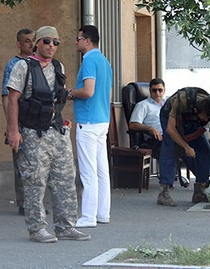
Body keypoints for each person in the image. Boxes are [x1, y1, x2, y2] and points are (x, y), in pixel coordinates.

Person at [6, 26, 90, 243]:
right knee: (35, 181)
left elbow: (58, 97)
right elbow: (13, 99)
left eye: (55, 42)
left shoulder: (58, 66)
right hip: (33, 133)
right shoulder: (22, 66)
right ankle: (37, 229)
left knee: (65, 179)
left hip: (57, 132)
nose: (51, 46)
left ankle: (66, 226)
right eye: (46, 41)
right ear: (37, 43)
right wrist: (13, 130)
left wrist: (61, 120)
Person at [71, 25, 113, 228]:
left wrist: (70, 92)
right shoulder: (105, 61)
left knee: (88, 171)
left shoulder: (88, 60)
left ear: (87, 40)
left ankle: (88, 216)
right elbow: (107, 93)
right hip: (102, 119)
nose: (76, 42)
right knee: (101, 170)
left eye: (78, 38)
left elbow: (88, 91)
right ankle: (102, 213)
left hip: (87, 120)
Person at [157, 87, 210, 207]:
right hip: (169, 117)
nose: (206, 120)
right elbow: (171, 129)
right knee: (171, 149)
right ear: (195, 110)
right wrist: (186, 147)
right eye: (204, 117)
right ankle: (164, 193)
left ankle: (200, 191)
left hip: (191, 121)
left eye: (207, 118)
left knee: (206, 150)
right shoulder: (181, 101)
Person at [1, 28, 34, 216]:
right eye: (27, 41)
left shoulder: (37, 63)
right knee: (21, 164)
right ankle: (23, 203)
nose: (30, 44)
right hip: (19, 121)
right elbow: (7, 96)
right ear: (18, 44)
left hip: (35, 122)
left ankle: (34, 200)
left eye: (32, 40)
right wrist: (10, 125)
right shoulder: (13, 64)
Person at [128, 78, 166, 159]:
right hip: (155, 139)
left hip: (170, 135)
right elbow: (133, 124)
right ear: (149, 90)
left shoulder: (167, 104)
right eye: (154, 90)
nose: (157, 93)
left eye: (160, 90)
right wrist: (150, 129)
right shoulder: (143, 105)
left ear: (164, 90)